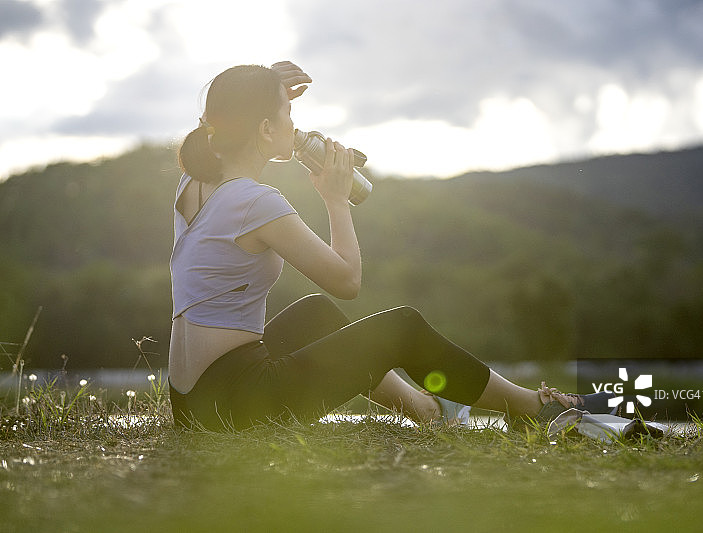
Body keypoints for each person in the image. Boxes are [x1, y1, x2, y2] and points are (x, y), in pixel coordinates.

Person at [168, 61, 613, 431]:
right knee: (402, 327)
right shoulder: (255, 201)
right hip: (235, 406)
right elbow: (347, 280)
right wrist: (335, 199)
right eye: (286, 112)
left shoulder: (196, 185)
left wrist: (262, 86)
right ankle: (532, 408)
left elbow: (222, 120)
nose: (295, 121)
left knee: (313, 313)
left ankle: (426, 410)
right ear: (265, 128)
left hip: (193, 404)